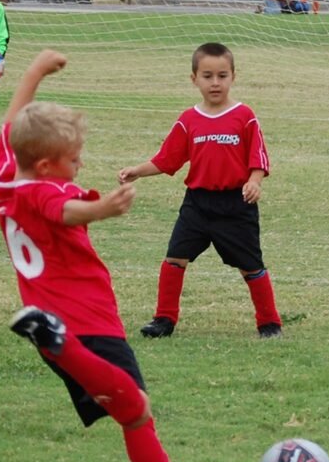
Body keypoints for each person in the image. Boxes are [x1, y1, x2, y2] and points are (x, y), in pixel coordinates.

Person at [0, 49, 197, 462]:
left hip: (52, 320)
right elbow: (61, 210)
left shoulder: (3, 179)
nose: (80, 166)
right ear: (45, 165)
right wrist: (103, 209)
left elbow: (12, 120)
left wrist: (35, 72)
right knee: (137, 409)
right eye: (74, 160)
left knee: (131, 409)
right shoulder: (47, 189)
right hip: (87, 321)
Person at [118, 42, 282, 340]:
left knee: (250, 266)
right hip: (197, 204)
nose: (215, 83)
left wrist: (254, 181)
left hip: (236, 204)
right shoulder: (188, 119)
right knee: (175, 258)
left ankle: (269, 323)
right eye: (207, 76)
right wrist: (137, 171)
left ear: (233, 76)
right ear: (194, 78)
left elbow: (258, 157)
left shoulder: (245, 116)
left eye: (222, 75)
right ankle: (164, 320)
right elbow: (167, 159)